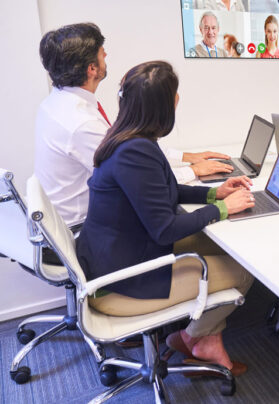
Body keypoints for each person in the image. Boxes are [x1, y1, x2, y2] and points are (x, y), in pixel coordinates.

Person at [76, 61, 255, 375]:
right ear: (163, 105)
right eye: (175, 94)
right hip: (119, 284)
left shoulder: (129, 139)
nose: (178, 99)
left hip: (122, 256)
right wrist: (223, 210)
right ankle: (192, 338)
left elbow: (164, 191)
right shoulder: (135, 151)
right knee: (244, 270)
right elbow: (164, 229)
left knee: (228, 247)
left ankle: (204, 340)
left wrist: (215, 195)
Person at [34, 22, 233, 229]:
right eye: (102, 54)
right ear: (91, 68)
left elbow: (129, 150)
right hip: (85, 227)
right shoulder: (81, 124)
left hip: (75, 221)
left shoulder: (56, 103)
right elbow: (138, 177)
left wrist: (185, 158)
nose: (107, 56)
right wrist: (194, 171)